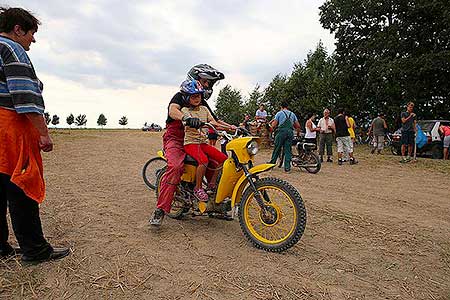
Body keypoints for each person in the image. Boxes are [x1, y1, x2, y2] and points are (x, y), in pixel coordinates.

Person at [0, 7, 70, 263]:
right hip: (10, 128)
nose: (33, 39)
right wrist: (43, 134)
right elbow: (25, 97)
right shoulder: (11, 48)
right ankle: (35, 250)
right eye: (31, 33)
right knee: (22, 187)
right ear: (17, 29)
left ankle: (1, 247)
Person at [149, 64, 233, 226]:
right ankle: (160, 209)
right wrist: (185, 118)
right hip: (176, 139)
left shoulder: (201, 102)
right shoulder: (180, 96)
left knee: (216, 162)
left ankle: (213, 204)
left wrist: (233, 127)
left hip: (196, 139)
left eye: (210, 83)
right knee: (175, 166)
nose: (208, 86)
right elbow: (172, 110)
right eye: (206, 82)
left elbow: (214, 121)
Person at [180, 80, 229, 201]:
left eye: (199, 96)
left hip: (202, 143)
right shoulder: (185, 110)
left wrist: (228, 127)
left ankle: (212, 184)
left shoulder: (204, 109)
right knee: (204, 160)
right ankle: (198, 188)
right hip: (191, 143)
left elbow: (213, 121)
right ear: (187, 97)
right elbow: (185, 120)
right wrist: (191, 121)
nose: (197, 98)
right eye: (194, 96)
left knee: (224, 159)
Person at [268, 102, 301, 172]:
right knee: (288, 150)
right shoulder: (292, 114)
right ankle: (287, 168)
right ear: (287, 107)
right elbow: (298, 125)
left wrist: (270, 128)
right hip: (290, 133)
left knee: (277, 148)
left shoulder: (279, 113)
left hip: (281, 132)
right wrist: (298, 133)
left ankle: (271, 164)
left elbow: (274, 125)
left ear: (281, 107)